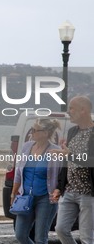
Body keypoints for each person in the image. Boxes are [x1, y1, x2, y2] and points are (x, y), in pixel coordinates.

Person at [50, 96, 94, 244]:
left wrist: (71, 155)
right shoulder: (72, 132)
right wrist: (58, 187)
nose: (69, 112)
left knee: (86, 237)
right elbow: (66, 161)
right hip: (69, 190)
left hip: (89, 192)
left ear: (84, 110)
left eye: (72, 108)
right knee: (61, 229)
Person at [11, 118, 62, 244]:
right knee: (20, 235)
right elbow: (18, 172)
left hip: (46, 199)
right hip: (25, 197)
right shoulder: (26, 147)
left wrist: (57, 193)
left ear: (45, 133)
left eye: (34, 130)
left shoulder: (55, 151)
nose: (31, 133)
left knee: (40, 238)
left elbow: (61, 176)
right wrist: (14, 193)